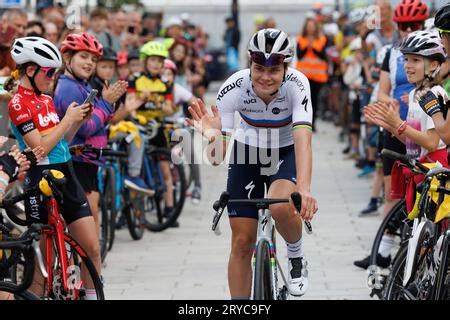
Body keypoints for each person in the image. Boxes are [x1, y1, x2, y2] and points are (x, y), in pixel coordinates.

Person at [187, 29, 318, 299]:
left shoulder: (298, 84)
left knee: (282, 204)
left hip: (286, 149)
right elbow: (215, 159)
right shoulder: (233, 87)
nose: (265, 77)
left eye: (274, 70)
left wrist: (303, 190)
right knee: (242, 242)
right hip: (248, 150)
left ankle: (296, 257)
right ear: (250, 63)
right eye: (259, 68)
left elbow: (303, 140)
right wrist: (212, 136)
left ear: (286, 68)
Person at [7, 36, 99, 299]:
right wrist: (66, 120)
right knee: (44, 260)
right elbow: (40, 149)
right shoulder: (18, 104)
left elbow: (61, 143)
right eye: (49, 72)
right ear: (31, 70)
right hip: (40, 178)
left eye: (55, 72)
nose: (52, 78)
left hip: (66, 172)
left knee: (91, 247)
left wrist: (76, 122)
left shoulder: (45, 99)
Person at [53, 32, 127, 241]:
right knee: (90, 217)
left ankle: (92, 264)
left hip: (89, 160)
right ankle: (91, 266)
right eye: (84, 56)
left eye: (93, 59)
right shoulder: (69, 88)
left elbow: (98, 119)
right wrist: (105, 103)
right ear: (68, 58)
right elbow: (87, 126)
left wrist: (108, 104)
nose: (90, 63)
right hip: (78, 160)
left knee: (94, 215)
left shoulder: (82, 84)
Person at [296, 17, 329, 131]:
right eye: (308, 26)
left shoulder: (322, 39)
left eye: (312, 26)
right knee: (304, 100)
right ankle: (303, 122)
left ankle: (313, 123)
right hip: (304, 75)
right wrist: (306, 47)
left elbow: (323, 56)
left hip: (317, 76)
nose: (310, 28)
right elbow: (299, 55)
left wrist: (313, 48)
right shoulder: (300, 39)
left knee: (314, 100)